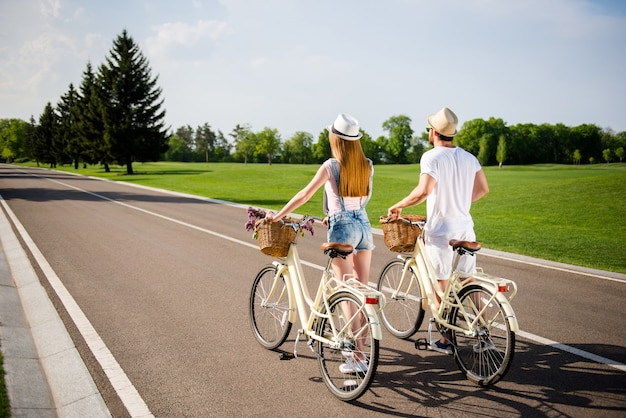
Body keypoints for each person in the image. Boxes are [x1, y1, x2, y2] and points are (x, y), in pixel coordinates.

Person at [265, 113, 374, 373]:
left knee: (346, 293)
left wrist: (276, 216)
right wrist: (335, 213)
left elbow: (304, 195)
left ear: (335, 139)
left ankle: (356, 357)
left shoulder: (330, 166)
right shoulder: (367, 165)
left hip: (343, 228)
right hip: (364, 226)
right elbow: (362, 199)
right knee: (361, 290)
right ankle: (362, 351)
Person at [387, 107, 489, 354]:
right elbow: (483, 189)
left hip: (442, 229)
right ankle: (484, 333)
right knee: (468, 281)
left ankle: (446, 340)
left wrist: (399, 205)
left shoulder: (431, 157)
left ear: (434, 132)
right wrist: (459, 201)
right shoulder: (469, 157)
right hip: (465, 226)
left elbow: (423, 191)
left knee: (439, 283)